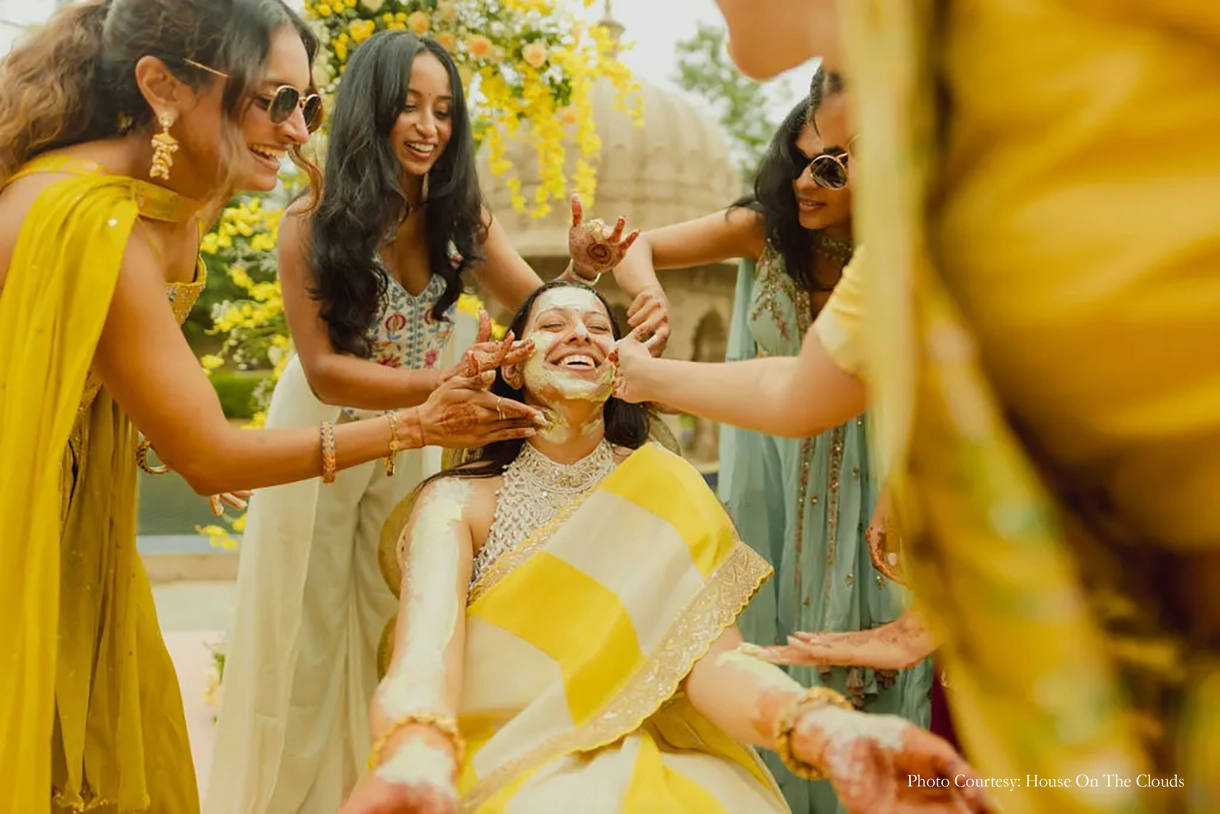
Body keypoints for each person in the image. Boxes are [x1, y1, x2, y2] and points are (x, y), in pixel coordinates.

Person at [618, 3, 1220, 812]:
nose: (816, 181)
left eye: (844, 159)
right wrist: (645, 376)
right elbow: (804, 393)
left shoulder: (1080, 65)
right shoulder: (917, 171)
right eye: (815, 159)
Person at [0, 3, 543, 812]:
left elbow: (92, 362)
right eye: (275, 100)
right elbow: (212, 454)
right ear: (162, 87)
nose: (298, 132)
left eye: (309, 105)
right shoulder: (92, 222)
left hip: (74, 506)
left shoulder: (168, 199)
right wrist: (423, 422)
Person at [207, 30, 650, 814]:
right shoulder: (309, 221)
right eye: (408, 105)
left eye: (443, 110)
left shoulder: (460, 218)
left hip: (423, 447)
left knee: (403, 628)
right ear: (372, 110)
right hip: (324, 445)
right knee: (300, 645)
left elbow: (527, 309)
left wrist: (581, 273)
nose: (427, 126)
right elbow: (322, 368)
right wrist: (439, 388)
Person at [339, 280, 987, 814]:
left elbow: (713, 664)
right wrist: (416, 752)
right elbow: (423, 658)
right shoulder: (458, 501)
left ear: (622, 361)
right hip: (507, 762)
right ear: (511, 361)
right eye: (555, 323)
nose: (579, 335)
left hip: (659, 756)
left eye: (597, 326)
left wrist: (826, 726)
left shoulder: (665, 485)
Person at [612, 84, 929, 813]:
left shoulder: (907, 251)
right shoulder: (767, 229)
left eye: (830, 170)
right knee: (771, 656)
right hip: (777, 492)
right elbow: (637, 244)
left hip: (890, 486)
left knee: (889, 656)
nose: (801, 183)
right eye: (795, 160)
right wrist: (647, 294)